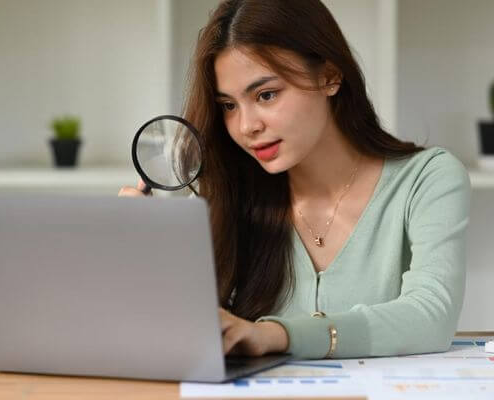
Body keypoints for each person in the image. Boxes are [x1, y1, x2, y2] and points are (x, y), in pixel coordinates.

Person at [119, 0, 470, 360]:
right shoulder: (226, 194)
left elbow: (431, 316)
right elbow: (190, 330)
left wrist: (275, 335)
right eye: (229, 105)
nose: (246, 126)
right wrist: (149, 254)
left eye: (266, 95)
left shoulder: (428, 179)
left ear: (330, 76)